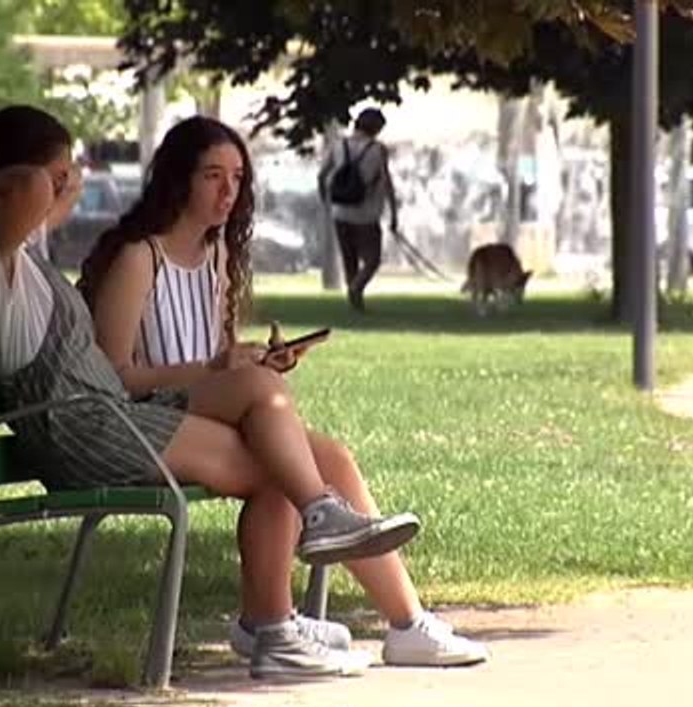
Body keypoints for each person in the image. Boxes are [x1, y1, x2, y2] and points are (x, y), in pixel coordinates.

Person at [0, 105, 427, 679]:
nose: (69, 183)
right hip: (82, 429)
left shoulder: (15, 258)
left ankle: (312, 540)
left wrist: (233, 363)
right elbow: (34, 188)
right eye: (63, 172)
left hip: (100, 418)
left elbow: (36, 192)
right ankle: (272, 624)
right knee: (278, 466)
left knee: (268, 405)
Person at [79, 115, 490, 668]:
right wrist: (217, 368)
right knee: (286, 462)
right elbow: (115, 376)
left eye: (238, 178)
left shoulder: (217, 257)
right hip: (144, 420)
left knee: (329, 456)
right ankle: (280, 604)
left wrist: (249, 360)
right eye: (212, 176)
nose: (229, 191)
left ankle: (406, 623)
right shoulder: (138, 258)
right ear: (179, 180)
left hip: (210, 411)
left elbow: (219, 362)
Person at [317, 107, 400, 312]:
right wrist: (394, 212)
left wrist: (326, 202)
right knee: (373, 259)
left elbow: (322, 176)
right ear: (376, 128)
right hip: (367, 213)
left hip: (340, 212)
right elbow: (386, 182)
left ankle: (355, 298)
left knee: (349, 258)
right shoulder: (378, 149)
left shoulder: (339, 145)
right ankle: (356, 290)